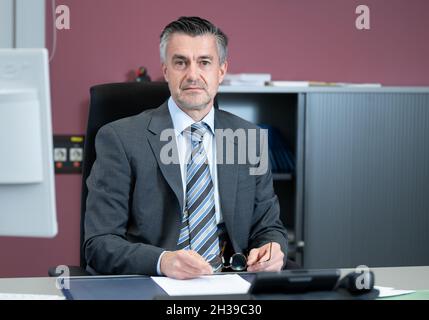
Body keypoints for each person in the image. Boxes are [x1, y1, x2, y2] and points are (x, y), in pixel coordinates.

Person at [84, 16, 288, 279]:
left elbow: (268, 226)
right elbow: (99, 243)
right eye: (181, 63)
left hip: (231, 283)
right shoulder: (120, 139)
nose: (193, 75)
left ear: (221, 70)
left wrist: (272, 250)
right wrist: (162, 261)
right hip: (154, 284)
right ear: (166, 71)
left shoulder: (248, 137)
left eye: (204, 62)